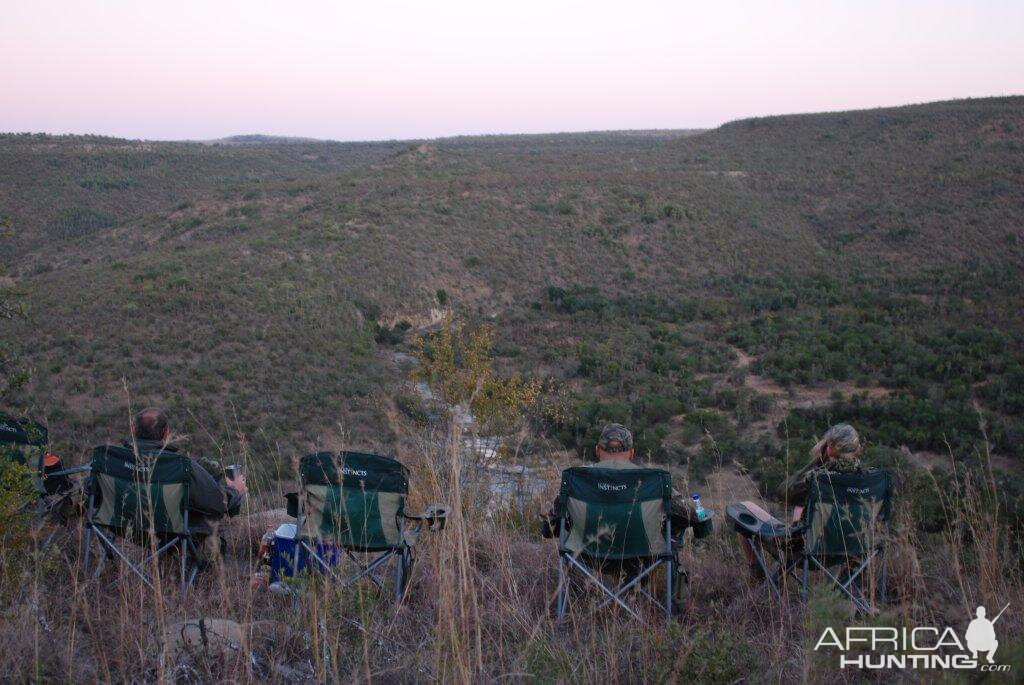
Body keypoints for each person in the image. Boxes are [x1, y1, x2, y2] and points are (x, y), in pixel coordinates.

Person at [735, 423, 867, 579]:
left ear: (830, 448)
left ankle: (758, 580)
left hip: (808, 552)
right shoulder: (869, 478)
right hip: (854, 549)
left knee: (742, 511)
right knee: (800, 506)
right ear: (856, 449)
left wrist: (818, 460)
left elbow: (784, 492)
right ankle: (849, 587)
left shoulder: (818, 478)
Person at [125, 408, 247, 564]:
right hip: (174, 538)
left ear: (133, 430)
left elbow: (86, 492)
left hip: (131, 531)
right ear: (165, 433)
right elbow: (218, 502)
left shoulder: (111, 460)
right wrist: (235, 490)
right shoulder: (181, 466)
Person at [540, 423, 699, 540]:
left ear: (597, 450)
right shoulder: (652, 479)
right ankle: (639, 582)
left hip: (587, 554)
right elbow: (689, 513)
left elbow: (551, 521)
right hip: (643, 556)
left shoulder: (578, 478)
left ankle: (575, 584)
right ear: (631, 453)